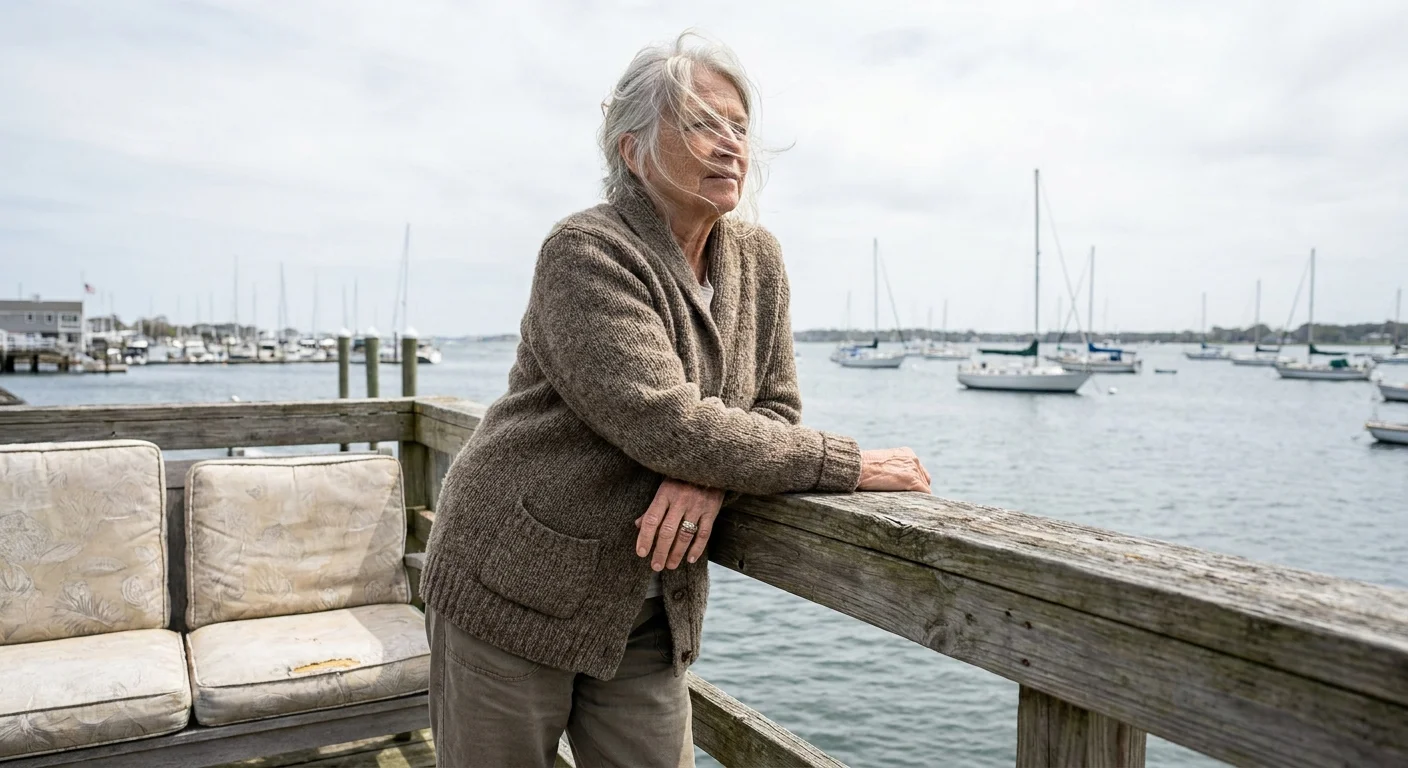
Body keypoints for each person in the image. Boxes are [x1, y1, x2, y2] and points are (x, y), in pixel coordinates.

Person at [420, 32, 932, 768]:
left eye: (739, 127)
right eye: (702, 124)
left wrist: (708, 477)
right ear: (633, 150)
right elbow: (665, 420)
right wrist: (840, 462)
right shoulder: (585, 252)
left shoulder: (760, 261)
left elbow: (774, 406)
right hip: (512, 583)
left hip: (651, 599)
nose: (731, 145)